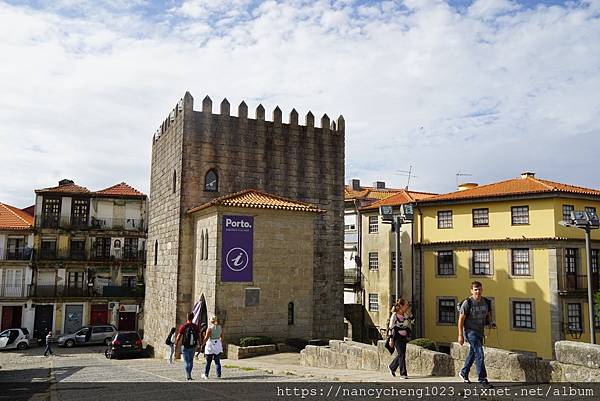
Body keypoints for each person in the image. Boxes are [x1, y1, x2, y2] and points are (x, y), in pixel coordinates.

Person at [458, 281, 492, 387]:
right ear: (471, 291)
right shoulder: (467, 303)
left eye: (479, 289)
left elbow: (488, 315)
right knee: (479, 353)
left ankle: (463, 372)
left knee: (473, 353)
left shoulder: (486, 301)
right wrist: (460, 335)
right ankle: (482, 379)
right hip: (470, 332)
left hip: (479, 332)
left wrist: (490, 323)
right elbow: (461, 319)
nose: (477, 291)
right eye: (475, 289)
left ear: (482, 290)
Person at [387, 298, 413, 379]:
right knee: (401, 354)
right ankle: (403, 374)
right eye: (406, 305)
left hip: (404, 337)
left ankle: (392, 367)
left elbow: (412, 322)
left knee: (401, 354)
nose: (407, 307)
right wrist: (391, 339)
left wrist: (410, 315)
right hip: (396, 337)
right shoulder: (394, 315)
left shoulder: (405, 315)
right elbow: (390, 328)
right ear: (401, 306)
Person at [175, 312, 201, 380]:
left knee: (186, 361)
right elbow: (199, 336)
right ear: (193, 317)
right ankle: (189, 374)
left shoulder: (183, 326)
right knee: (191, 360)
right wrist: (200, 344)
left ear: (187, 317)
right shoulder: (195, 326)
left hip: (185, 346)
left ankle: (188, 375)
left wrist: (176, 343)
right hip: (193, 346)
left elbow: (179, 336)